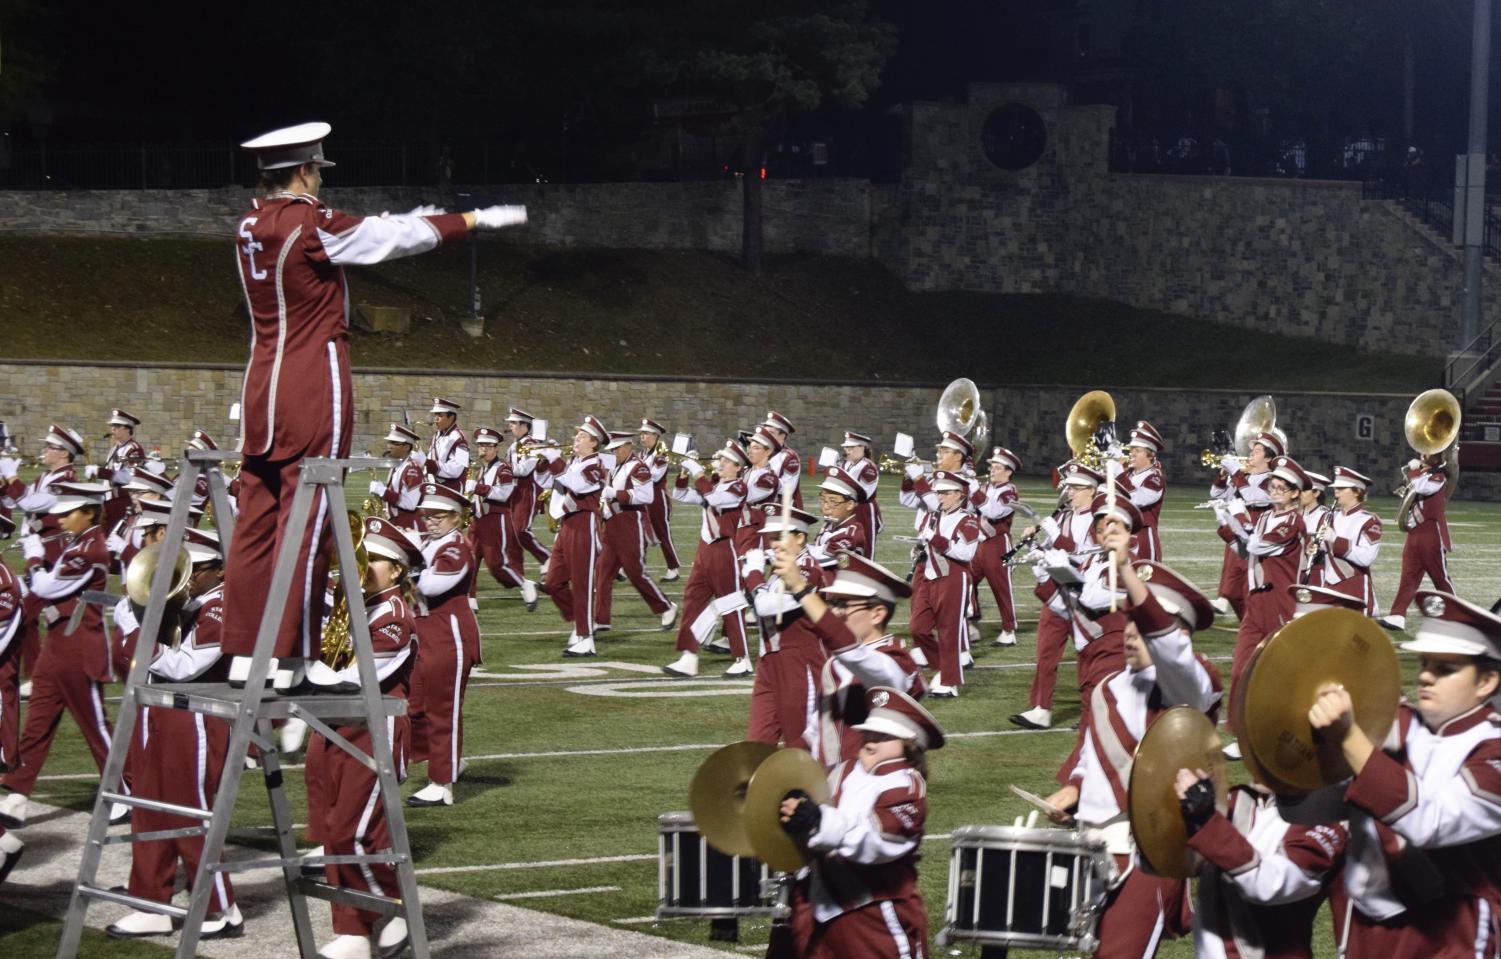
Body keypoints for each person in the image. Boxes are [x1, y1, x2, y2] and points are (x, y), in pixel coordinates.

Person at [224, 121, 525, 694]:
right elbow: (383, 242)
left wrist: (401, 218)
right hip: (313, 377)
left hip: (262, 380)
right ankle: (288, 656)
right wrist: (465, 222)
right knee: (307, 520)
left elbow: (360, 230)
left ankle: (242, 652)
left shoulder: (250, 223)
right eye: (317, 172)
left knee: (254, 522)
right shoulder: (309, 224)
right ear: (306, 171)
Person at [1043, 534, 1222, 959]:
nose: (1128, 633)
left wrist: (1125, 570)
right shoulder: (1107, 686)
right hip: (1093, 846)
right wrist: (1073, 789)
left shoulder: (1193, 685)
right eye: (1126, 622)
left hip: (1149, 853)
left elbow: (1172, 654)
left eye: (1140, 626)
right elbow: (1091, 754)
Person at [1307, 590, 1501, 957]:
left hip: (1450, 935)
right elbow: (1314, 812)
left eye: (1445, 669)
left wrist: (1349, 738)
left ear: (1486, 682)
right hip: (1368, 928)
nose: (1426, 676)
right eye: (1425, 663)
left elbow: (1432, 821)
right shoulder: (1398, 724)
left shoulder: (1494, 750)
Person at [106, 528, 245, 941]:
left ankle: (222, 908)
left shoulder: (222, 606)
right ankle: (151, 901)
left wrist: (136, 630)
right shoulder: (179, 604)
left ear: (215, 570)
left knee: (191, 812)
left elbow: (185, 667)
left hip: (198, 715)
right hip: (159, 710)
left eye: (191, 571)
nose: (180, 580)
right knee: (148, 806)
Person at [304, 516, 423, 959]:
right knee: (334, 830)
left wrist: (309, 674)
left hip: (373, 729)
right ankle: (353, 931)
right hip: (336, 724)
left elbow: (361, 678)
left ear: (395, 570)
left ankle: (394, 909)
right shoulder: (350, 606)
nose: (361, 564)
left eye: (372, 558)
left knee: (351, 830)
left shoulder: (394, 616)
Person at [774, 686, 943, 958]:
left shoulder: (905, 786)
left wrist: (818, 820)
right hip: (816, 904)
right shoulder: (843, 770)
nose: (871, 737)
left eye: (885, 735)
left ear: (910, 745)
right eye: (870, 730)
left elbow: (876, 838)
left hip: (874, 913)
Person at [0, 482, 130, 828]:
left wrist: (32, 553)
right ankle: (16, 792)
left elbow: (45, 586)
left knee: (96, 725)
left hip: (80, 648)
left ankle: (121, 791)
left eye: (68, 512)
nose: (61, 518)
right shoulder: (79, 544)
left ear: (88, 512)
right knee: (38, 722)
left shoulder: (89, 550)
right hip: (57, 645)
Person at [773, 549, 925, 769]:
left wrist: (800, 588)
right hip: (833, 787)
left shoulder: (895, 662)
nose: (836, 613)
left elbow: (854, 653)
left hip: (869, 790)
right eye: (834, 604)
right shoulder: (836, 663)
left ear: (877, 614)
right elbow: (818, 730)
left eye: (845, 605)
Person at [1175, 765, 1347, 958]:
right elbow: (1167, 862)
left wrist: (1207, 822)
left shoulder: (1324, 819)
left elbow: (1268, 885)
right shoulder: (1236, 798)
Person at [1215, 455, 1307, 758]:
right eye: (1274, 485)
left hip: (1281, 602)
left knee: (1281, 675)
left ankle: (1289, 730)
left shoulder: (1294, 521)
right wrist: (1225, 523)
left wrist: (1239, 515)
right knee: (1242, 667)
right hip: (1256, 602)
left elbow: (1257, 544)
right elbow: (1244, 550)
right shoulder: (1267, 517)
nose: (1276, 490)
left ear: (1296, 493)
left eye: (1283, 487)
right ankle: (1242, 735)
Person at [1011, 463, 1101, 730]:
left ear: (1091, 491)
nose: (1069, 493)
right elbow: (1054, 549)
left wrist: (1054, 534)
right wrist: (1033, 546)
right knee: (1046, 651)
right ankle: (1041, 708)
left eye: (1075, 488)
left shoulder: (1098, 519)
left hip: (1084, 595)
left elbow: (1083, 554)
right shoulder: (1065, 516)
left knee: (1090, 654)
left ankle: (1092, 711)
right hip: (1056, 591)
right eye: (1069, 487)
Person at [408, 483, 480, 808]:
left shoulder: (456, 549)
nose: (431, 521)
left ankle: (442, 782)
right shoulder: (429, 543)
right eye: (427, 514)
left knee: (442, 709)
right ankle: (446, 761)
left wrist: (404, 565)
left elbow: (430, 585)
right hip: (425, 631)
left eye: (439, 515)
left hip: (447, 633)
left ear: (456, 517)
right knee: (416, 704)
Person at [742, 505, 829, 751]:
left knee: (799, 743)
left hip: (801, 663)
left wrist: (754, 574)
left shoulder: (807, 570)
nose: (774, 544)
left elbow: (767, 606)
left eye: (780, 537)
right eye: (771, 538)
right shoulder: (778, 568)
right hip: (769, 661)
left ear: (800, 537)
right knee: (757, 742)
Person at [663, 440, 752, 678]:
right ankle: (688, 656)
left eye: (725, 460)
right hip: (704, 551)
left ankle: (742, 658)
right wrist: (683, 472)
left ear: (738, 466)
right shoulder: (714, 486)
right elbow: (680, 494)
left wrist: (698, 472)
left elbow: (715, 499)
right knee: (692, 599)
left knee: (731, 605)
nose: (720, 463)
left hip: (725, 551)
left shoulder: (738, 488)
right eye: (720, 458)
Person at [593, 432, 676, 633]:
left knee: (635, 572)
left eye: (614, 449)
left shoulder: (639, 467)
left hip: (630, 522)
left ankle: (666, 607)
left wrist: (616, 494)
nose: (611, 453)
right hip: (611, 523)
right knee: (602, 572)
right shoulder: (612, 463)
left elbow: (646, 496)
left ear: (625, 447)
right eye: (610, 450)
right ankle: (600, 618)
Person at [907, 470, 981, 698]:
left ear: (959, 494)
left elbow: (966, 553)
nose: (940, 497)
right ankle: (944, 666)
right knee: (917, 628)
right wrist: (918, 549)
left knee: (949, 632)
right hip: (929, 576)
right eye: (938, 492)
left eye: (945, 493)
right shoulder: (933, 516)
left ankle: (950, 682)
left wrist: (934, 539)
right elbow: (926, 542)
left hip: (953, 579)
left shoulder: (968, 519)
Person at [539, 416, 609, 657]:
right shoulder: (574, 461)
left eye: (581, 436)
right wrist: (543, 463)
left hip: (584, 524)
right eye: (576, 435)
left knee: (581, 583)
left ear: (593, 442)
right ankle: (580, 622)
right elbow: (549, 482)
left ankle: (586, 638)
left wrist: (554, 460)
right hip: (567, 524)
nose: (575, 439)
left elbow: (577, 485)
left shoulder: (596, 465)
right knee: (551, 582)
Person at [465, 427, 539, 611]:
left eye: (488, 446)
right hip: (479, 520)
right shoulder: (482, 468)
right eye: (481, 446)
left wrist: (478, 488)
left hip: (495, 520)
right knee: (470, 559)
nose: (484, 450)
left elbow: (505, 493)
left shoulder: (503, 468)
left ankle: (524, 584)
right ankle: (470, 598)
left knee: (496, 565)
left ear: (496, 448)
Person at [1210, 432, 1282, 618]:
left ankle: (1255, 623)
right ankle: (1247, 621)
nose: (1250, 454)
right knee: (1232, 589)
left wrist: (1236, 473)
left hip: (1253, 536)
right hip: (1235, 533)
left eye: (1257, 451)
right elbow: (1217, 495)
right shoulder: (1245, 477)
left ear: (1268, 458)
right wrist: (1222, 476)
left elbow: (1254, 498)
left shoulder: (1273, 481)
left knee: (1246, 587)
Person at [1381, 452, 1454, 631]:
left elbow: (1422, 488)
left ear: (1438, 459)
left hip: (1431, 533)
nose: (1423, 454)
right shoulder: (1423, 475)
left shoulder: (1439, 476)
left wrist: (1413, 471)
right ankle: (1397, 615)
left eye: (1429, 452)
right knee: (1408, 577)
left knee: (1440, 578)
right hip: (1414, 533)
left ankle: (1456, 614)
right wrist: (1412, 472)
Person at [1310, 466, 1382, 615]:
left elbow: (1366, 558)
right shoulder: (1330, 516)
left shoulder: (1369, 521)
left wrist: (1335, 540)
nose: (1336, 491)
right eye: (1336, 488)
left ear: (1357, 492)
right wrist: (1314, 548)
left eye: (1342, 488)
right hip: (1328, 585)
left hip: (1353, 587)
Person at [973, 446, 1022, 647]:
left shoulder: (1009, 492)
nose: (992, 469)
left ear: (1008, 471)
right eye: (992, 465)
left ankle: (1009, 630)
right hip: (978, 543)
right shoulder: (986, 487)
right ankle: (971, 621)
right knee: (964, 579)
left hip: (997, 545)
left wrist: (974, 491)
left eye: (997, 466)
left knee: (1001, 588)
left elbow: (993, 512)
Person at [504, 408, 552, 575]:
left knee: (520, 530)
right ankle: (517, 572)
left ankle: (547, 558)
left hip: (527, 491)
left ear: (524, 425)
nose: (510, 426)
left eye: (513, 423)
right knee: (511, 533)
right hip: (513, 491)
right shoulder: (513, 445)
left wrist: (503, 469)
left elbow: (524, 470)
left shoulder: (531, 444)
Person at [637, 418, 681, 581]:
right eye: (642, 434)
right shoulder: (642, 454)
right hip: (642, 496)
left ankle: (673, 568)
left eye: (646, 434)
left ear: (655, 436)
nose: (642, 437)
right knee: (639, 531)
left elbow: (655, 476)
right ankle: (637, 565)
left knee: (662, 532)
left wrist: (639, 472)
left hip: (657, 498)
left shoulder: (661, 454)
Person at [1120, 421, 1167, 560]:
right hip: (1121, 534)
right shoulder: (1127, 474)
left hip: (1143, 538)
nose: (1132, 454)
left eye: (1137, 451)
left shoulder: (1155, 479)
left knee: (1145, 580)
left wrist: (1118, 474)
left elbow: (1136, 500)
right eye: (1131, 450)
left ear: (1151, 455)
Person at [368, 424, 425, 533]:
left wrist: (383, 491)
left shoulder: (412, 470)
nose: (389, 446)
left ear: (407, 447)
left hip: (408, 527)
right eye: (389, 442)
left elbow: (410, 503)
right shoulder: (398, 465)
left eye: (394, 443)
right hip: (398, 523)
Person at [808, 467, 867, 568]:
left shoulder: (851, 533)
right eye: (823, 500)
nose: (825, 506)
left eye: (833, 501)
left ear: (849, 505)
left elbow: (822, 559)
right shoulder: (830, 524)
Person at [99, 408, 146, 528]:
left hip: (124, 501)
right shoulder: (115, 448)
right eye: (112, 426)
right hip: (109, 501)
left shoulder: (134, 449)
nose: (112, 429)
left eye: (116, 426)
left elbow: (130, 478)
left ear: (127, 428)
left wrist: (103, 473)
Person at [838, 432, 881, 558]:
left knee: (865, 544)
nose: (847, 451)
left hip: (863, 509)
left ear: (862, 448)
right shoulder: (845, 464)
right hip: (848, 507)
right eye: (846, 448)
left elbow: (864, 493)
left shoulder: (868, 467)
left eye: (851, 448)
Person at [425, 398, 470, 493]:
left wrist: (428, 464)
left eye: (440, 415)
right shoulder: (436, 436)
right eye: (435, 415)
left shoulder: (460, 439)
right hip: (433, 489)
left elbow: (456, 470)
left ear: (451, 417)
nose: (436, 419)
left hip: (451, 491)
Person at [761, 411, 804, 510]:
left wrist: (766, 477)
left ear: (783, 436)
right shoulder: (761, 451)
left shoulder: (790, 457)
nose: (766, 436)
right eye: (765, 432)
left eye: (771, 433)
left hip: (783, 512)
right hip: (764, 508)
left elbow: (787, 490)